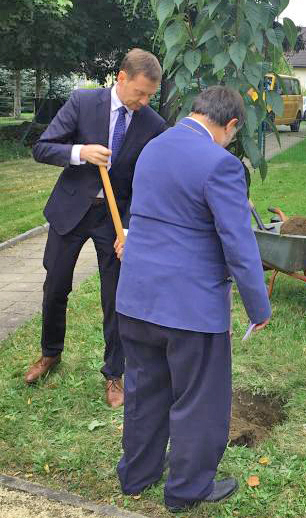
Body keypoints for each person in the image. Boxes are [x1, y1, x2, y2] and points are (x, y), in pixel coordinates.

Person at [113, 86, 271, 512]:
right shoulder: (221, 164)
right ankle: (188, 489)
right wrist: (259, 307)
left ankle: (137, 474)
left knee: (145, 391)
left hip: (136, 297)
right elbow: (238, 243)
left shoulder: (151, 147)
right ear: (231, 124)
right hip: (190, 307)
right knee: (199, 401)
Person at [26, 48, 166, 407]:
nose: (144, 101)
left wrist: (131, 230)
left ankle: (114, 374)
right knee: (56, 285)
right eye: (140, 92)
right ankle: (50, 353)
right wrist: (80, 152)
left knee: (115, 298)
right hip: (71, 211)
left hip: (115, 219)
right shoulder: (83, 103)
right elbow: (42, 148)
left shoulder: (153, 125)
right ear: (121, 78)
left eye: (151, 95)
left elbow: (147, 184)